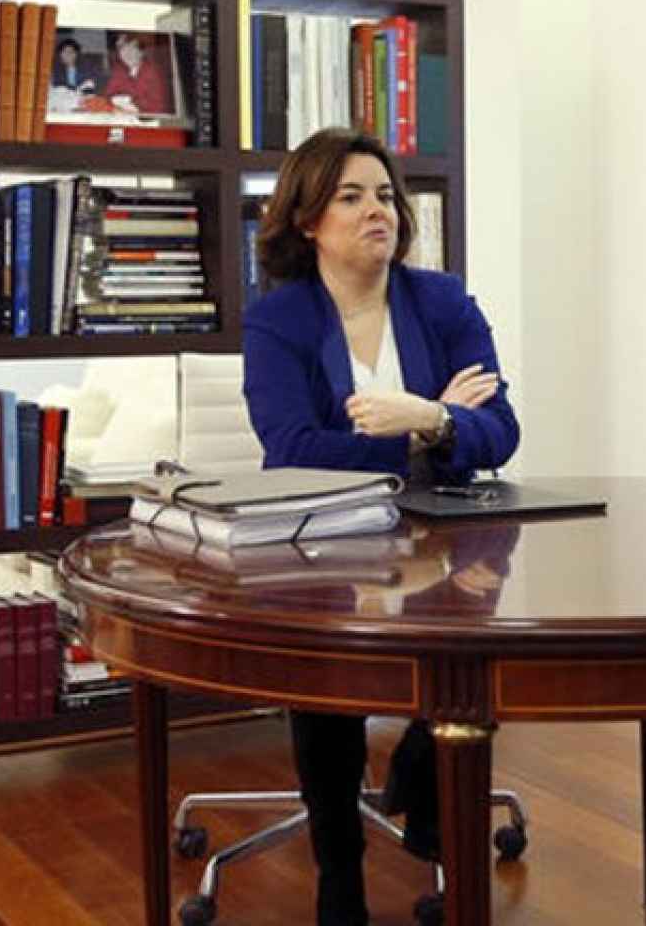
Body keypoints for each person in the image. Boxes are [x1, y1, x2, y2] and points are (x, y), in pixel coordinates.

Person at [242, 127, 519, 926]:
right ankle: (340, 874)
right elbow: (292, 448)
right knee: (326, 685)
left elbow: (501, 431)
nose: (379, 212)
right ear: (307, 220)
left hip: (444, 534)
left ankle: (436, 820)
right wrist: (427, 428)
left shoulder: (442, 301)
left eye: (386, 194)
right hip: (324, 542)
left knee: (473, 647)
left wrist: (430, 415)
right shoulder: (280, 321)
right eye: (351, 197)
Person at [103, 32, 170, 116]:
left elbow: (159, 108)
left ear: (141, 53)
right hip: (122, 116)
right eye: (123, 50)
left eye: (132, 49)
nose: (127, 54)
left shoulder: (153, 72)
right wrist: (116, 107)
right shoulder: (119, 70)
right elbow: (108, 96)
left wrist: (132, 103)